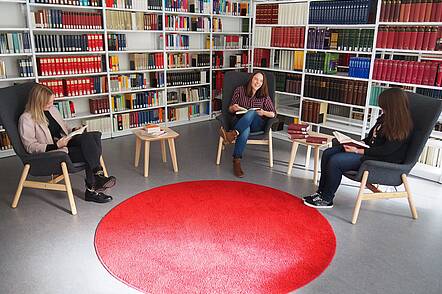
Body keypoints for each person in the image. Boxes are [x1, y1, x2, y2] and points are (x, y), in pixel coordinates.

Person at [303, 87, 413, 208]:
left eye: (384, 105)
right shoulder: (385, 118)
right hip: (368, 151)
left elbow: (386, 151)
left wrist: (358, 150)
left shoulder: (401, 126)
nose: (381, 108)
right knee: (328, 153)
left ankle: (327, 199)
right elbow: (371, 138)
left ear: (392, 106)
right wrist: (356, 143)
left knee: (336, 161)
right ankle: (321, 193)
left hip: (379, 161)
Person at [18, 84, 116, 203]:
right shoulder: (26, 119)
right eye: (48, 103)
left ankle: (97, 178)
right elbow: (30, 146)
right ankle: (94, 185)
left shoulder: (52, 109)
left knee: (92, 136)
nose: (51, 105)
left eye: (52, 102)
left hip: (66, 142)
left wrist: (74, 131)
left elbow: (64, 128)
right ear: (37, 102)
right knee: (90, 151)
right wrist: (56, 145)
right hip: (54, 152)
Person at [219, 72, 276, 177]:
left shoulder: (264, 96)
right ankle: (237, 162)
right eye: (256, 79)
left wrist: (263, 112)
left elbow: (273, 113)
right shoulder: (240, 90)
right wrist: (234, 107)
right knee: (245, 130)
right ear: (251, 79)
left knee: (252, 112)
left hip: (256, 124)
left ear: (263, 83)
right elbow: (230, 109)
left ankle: (232, 134)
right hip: (239, 121)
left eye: (261, 81)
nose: (257, 82)